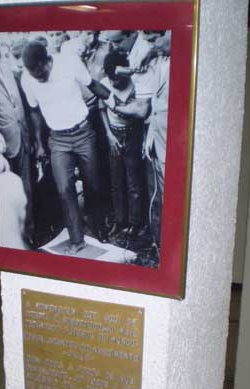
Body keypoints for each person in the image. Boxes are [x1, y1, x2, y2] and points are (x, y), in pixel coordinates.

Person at [21, 40, 110, 255]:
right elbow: (34, 111)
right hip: (58, 140)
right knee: (64, 189)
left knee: (93, 185)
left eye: (41, 74)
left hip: (83, 133)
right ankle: (77, 239)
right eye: (34, 76)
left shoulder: (70, 63)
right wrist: (40, 144)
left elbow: (93, 85)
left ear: (48, 60)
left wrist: (115, 99)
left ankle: (98, 227)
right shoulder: (27, 79)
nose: (39, 79)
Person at [99, 50, 150, 244]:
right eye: (112, 80)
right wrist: (109, 135)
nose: (114, 83)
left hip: (133, 134)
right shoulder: (104, 84)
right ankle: (120, 221)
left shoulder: (136, 83)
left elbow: (142, 113)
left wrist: (144, 138)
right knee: (116, 181)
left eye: (118, 80)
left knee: (133, 182)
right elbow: (102, 109)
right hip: (114, 135)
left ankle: (135, 223)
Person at [0, 47, 34, 242]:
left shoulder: (8, 72)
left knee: (26, 188)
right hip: (4, 146)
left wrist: (31, 138)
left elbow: (22, 105)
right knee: (8, 193)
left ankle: (30, 233)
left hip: (24, 139)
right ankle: (14, 236)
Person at [142, 30, 171, 249]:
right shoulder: (160, 58)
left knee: (170, 194)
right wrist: (150, 136)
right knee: (159, 192)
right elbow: (155, 103)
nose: (153, 45)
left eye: (154, 40)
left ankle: (168, 243)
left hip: (172, 141)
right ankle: (159, 241)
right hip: (157, 138)